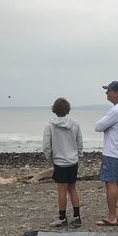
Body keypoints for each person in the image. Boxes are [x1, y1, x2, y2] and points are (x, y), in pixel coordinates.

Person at [94, 81, 118, 226]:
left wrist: (107, 128)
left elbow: (98, 126)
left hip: (113, 152)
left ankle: (112, 217)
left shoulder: (116, 110)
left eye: (109, 90)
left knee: (111, 183)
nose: (106, 93)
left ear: (117, 93)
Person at [42, 97, 83, 227]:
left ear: (54, 110)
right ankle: (77, 217)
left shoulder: (50, 126)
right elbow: (79, 142)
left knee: (61, 190)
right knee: (72, 188)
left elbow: (46, 146)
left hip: (60, 162)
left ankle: (62, 217)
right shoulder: (75, 124)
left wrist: (50, 158)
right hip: (72, 161)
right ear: (67, 109)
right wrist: (78, 155)